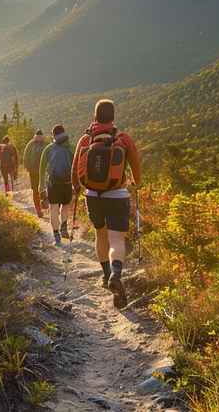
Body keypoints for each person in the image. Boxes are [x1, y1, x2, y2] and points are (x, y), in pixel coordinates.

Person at [72, 99, 141, 309]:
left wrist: (77, 188)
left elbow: (75, 169)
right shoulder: (123, 139)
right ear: (113, 117)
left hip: (92, 195)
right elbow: (136, 165)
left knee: (100, 234)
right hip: (117, 195)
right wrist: (137, 184)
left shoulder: (85, 139)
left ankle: (106, 275)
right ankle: (116, 274)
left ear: (95, 116)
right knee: (116, 239)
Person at [39, 125, 74, 246]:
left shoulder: (48, 149)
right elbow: (75, 167)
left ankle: (56, 235)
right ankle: (64, 226)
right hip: (68, 183)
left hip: (53, 183)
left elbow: (42, 169)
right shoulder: (71, 147)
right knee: (65, 206)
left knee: (53, 208)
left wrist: (41, 187)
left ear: (53, 135)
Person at [23, 129, 47, 217]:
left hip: (36, 172)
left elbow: (25, 157)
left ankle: (39, 209)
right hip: (41, 172)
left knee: (37, 191)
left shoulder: (30, 144)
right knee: (40, 190)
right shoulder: (45, 144)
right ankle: (40, 208)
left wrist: (27, 168)